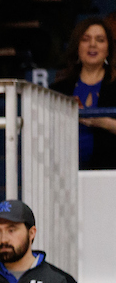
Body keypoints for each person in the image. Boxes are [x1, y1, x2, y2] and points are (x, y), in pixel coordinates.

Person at [50, 18, 116, 171]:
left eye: (100, 40)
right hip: (64, 174)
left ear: (108, 49)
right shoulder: (58, 89)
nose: (92, 44)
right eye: (86, 39)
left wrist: (104, 123)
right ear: (77, 47)